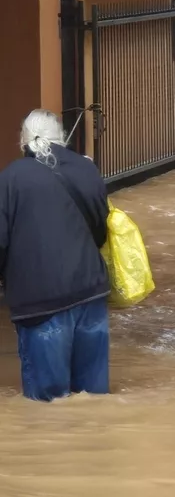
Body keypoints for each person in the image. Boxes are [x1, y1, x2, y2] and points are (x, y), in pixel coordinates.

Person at [0, 109, 110, 401]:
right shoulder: (87, 168)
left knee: (47, 405)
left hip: (40, 303)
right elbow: (101, 231)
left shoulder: (11, 178)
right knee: (94, 396)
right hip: (91, 293)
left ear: (23, 140)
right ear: (60, 136)